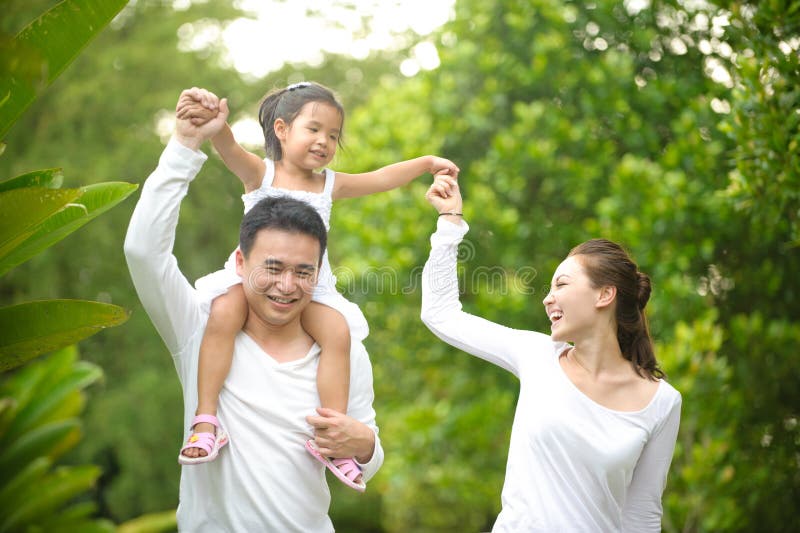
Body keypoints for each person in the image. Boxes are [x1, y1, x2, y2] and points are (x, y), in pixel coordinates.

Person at [172, 83, 458, 491]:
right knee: (222, 315)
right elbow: (230, 148)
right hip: (258, 281)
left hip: (310, 287)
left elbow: (380, 178)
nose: (325, 142)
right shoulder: (261, 172)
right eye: (314, 130)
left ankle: (333, 438)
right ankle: (205, 420)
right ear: (282, 129)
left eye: (334, 136)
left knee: (337, 331)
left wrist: (427, 162)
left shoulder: (329, 183)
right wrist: (215, 124)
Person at [123, 89, 384, 531]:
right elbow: (143, 251)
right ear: (241, 263)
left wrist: (365, 444)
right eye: (273, 268)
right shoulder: (200, 327)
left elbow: (367, 457)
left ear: (319, 272)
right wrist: (185, 144)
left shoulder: (341, 345)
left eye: (303, 272)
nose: (287, 286)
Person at [420, 175, 682, 531]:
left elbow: (641, 514)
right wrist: (450, 222)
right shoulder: (537, 356)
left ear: (604, 295)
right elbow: (441, 314)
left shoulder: (662, 402)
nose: (548, 298)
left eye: (561, 284)